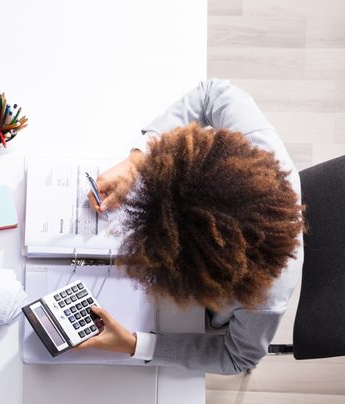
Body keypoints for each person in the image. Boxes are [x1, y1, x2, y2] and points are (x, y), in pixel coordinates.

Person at [80, 79, 304, 375]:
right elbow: (213, 93)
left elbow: (239, 358)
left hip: (219, 310)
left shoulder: (265, 300)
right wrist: (137, 162)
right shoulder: (258, 149)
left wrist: (135, 345)